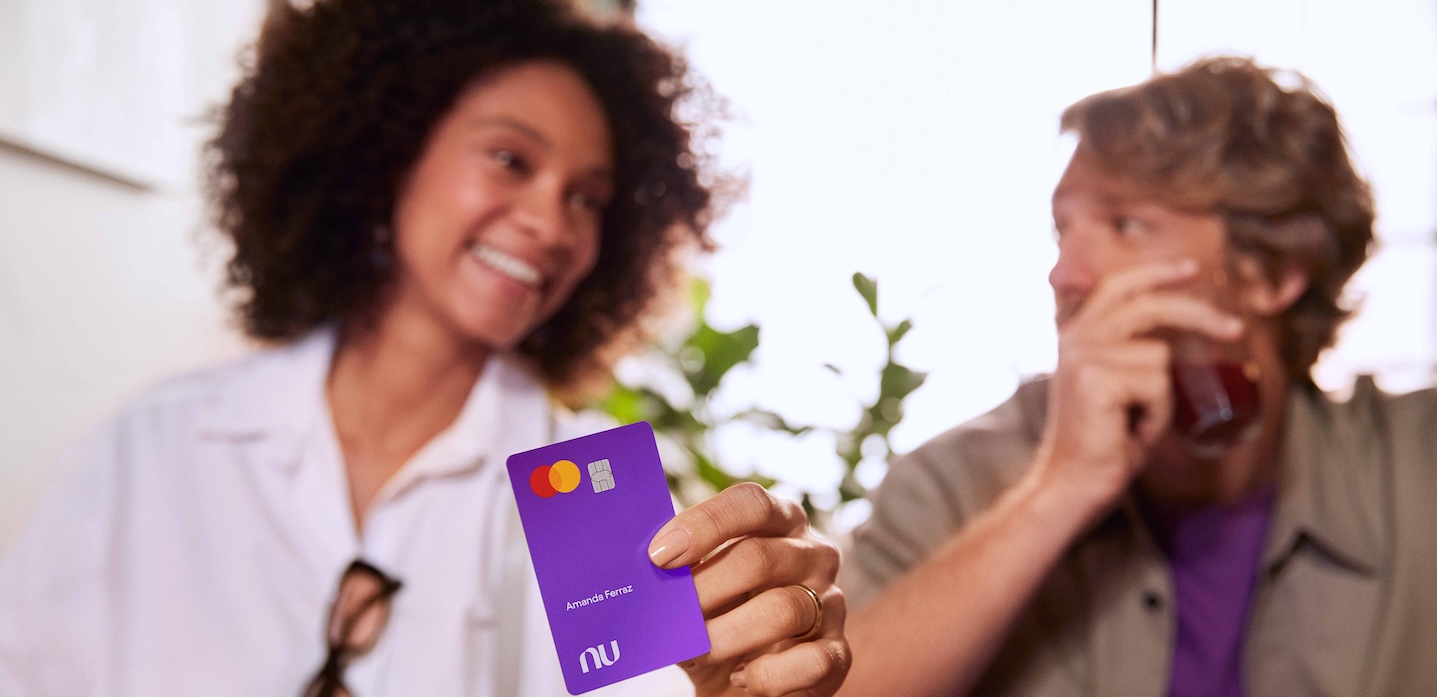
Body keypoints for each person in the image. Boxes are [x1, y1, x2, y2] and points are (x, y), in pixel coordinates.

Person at [0, 1, 849, 695]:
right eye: (511, 158)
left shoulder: (595, 503)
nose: (552, 225)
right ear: (386, 153)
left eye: (588, 200)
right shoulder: (149, 450)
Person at [838, 56, 1437, 696]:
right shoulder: (950, 486)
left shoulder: (1413, 465)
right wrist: (1060, 487)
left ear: (1273, 272)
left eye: (1127, 224)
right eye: (1062, 230)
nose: (1064, 275)